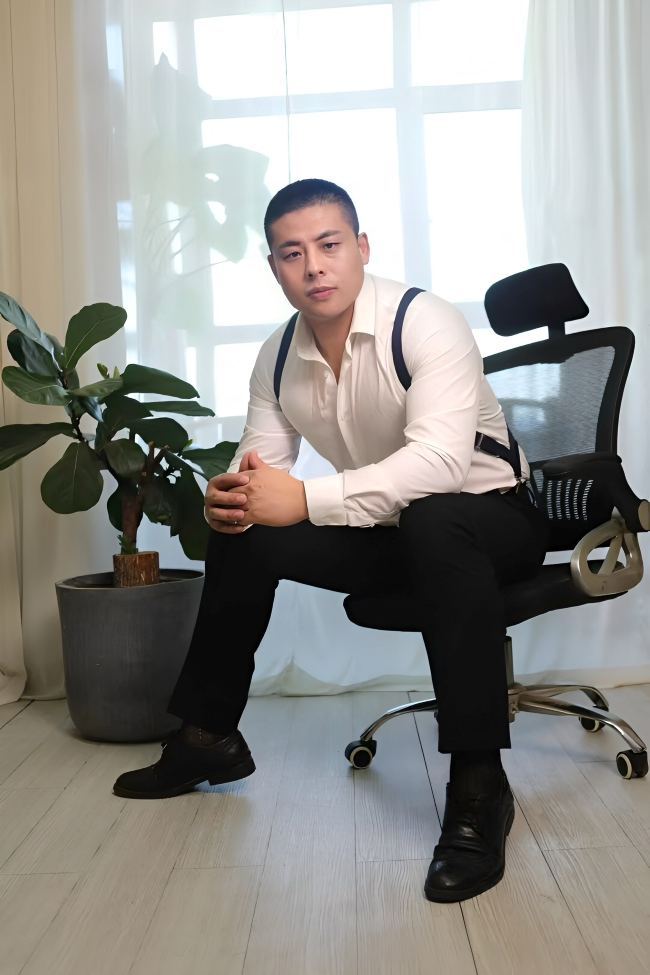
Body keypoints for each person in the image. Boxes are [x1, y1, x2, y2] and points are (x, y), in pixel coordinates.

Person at [114, 178, 548, 902]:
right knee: (248, 532)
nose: (313, 265)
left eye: (328, 244)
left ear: (361, 247)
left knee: (434, 517)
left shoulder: (426, 322)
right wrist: (235, 496)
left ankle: (480, 785)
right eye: (292, 253)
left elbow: (440, 466)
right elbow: (260, 464)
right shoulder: (276, 356)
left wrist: (307, 498)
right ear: (275, 267)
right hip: (391, 531)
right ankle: (206, 738)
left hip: (490, 520)